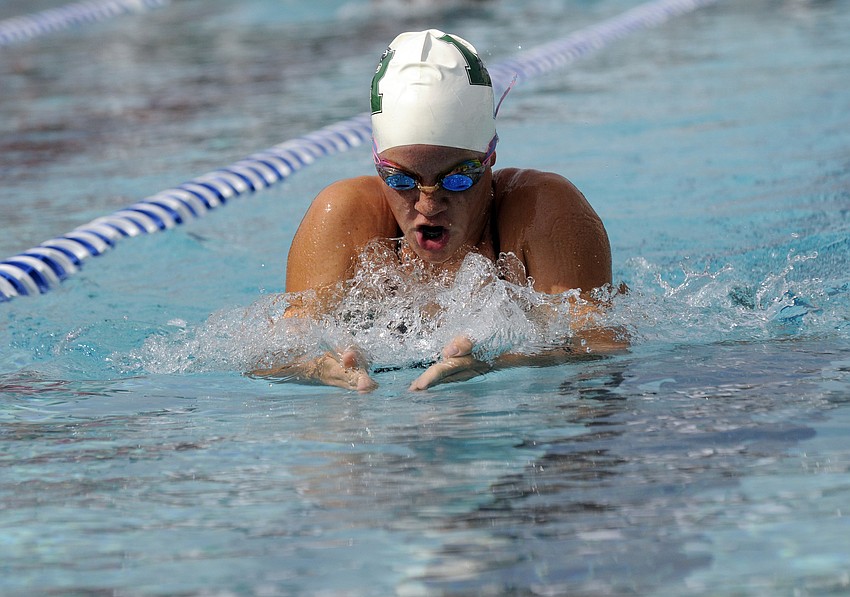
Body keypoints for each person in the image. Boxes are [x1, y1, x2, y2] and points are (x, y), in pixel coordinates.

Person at [258, 29, 620, 391]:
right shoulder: (345, 216)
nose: (428, 205)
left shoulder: (542, 210)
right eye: (402, 180)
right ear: (377, 165)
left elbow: (604, 344)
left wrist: (497, 364)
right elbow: (270, 355)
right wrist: (315, 368)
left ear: (489, 157)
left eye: (458, 178)